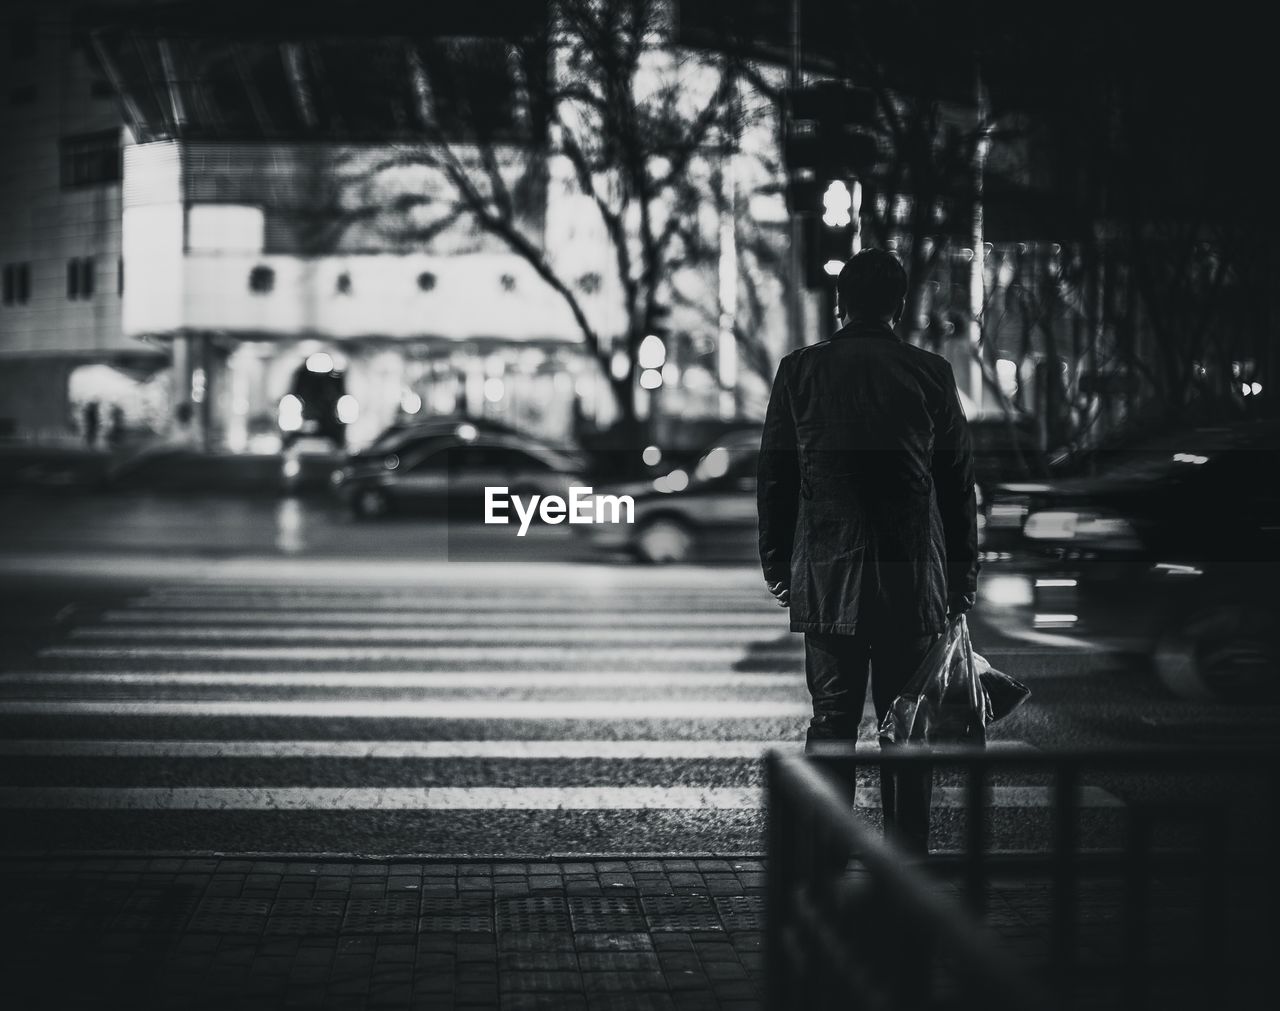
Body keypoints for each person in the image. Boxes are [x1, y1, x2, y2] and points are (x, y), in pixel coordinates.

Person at [756, 248, 979, 855]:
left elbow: (775, 476)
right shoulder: (929, 373)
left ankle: (827, 851)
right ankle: (906, 858)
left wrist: (779, 564)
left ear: (839, 302)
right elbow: (957, 482)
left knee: (832, 720)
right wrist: (961, 577)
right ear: (900, 306)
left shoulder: (800, 371)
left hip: (830, 574)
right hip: (911, 574)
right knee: (906, 726)